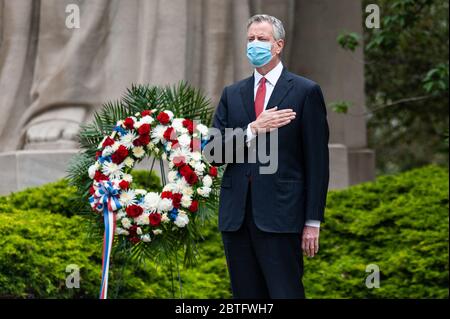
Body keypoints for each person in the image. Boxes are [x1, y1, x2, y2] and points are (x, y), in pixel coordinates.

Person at [210, 14, 330, 298]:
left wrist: (313, 221)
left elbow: (317, 163)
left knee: (284, 293)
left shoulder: (305, 91)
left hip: (282, 216)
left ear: (278, 45)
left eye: (261, 39)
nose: (254, 44)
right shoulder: (232, 93)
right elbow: (213, 153)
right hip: (236, 218)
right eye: (250, 39)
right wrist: (252, 129)